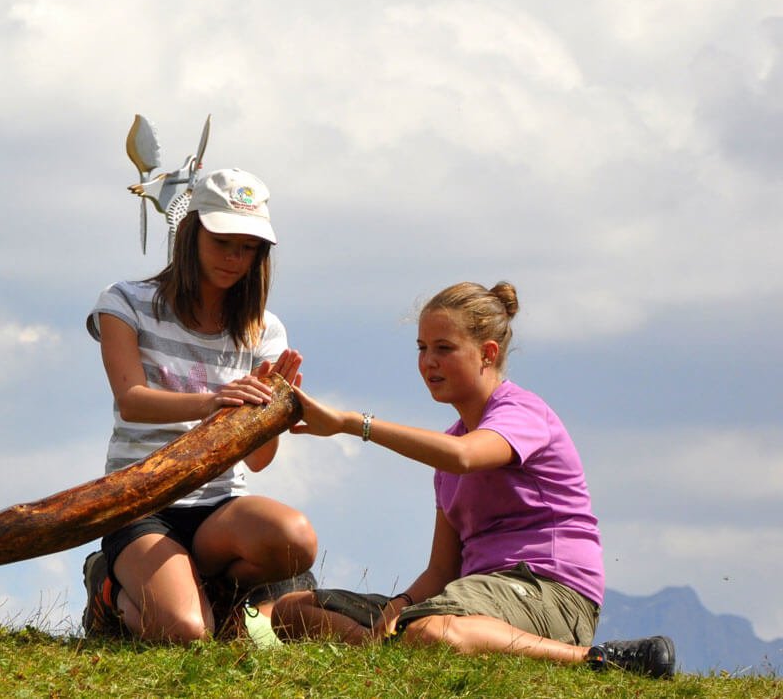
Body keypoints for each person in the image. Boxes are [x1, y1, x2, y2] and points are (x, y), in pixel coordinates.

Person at [272, 281, 677, 677]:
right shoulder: (449, 445)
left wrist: (350, 423)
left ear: (487, 353)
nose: (428, 361)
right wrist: (398, 607)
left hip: (548, 590)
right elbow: (441, 570)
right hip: (470, 597)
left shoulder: (521, 413)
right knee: (293, 611)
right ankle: (398, 645)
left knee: (431, 629)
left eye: (444, 348)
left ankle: (595, 659)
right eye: (422, 348)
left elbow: (466, 458)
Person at [80, 168, 318, 644]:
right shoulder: (125, 300)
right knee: (187, 633)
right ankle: (108, 586)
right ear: (191, 234)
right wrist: (215, 402)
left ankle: (199, 591)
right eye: (223, 241)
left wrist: (271, 418)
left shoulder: (264, 329)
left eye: (249, 248)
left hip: (220, 505)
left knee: (296, 540)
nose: (235, 258)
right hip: (141, 501)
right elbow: (132, 402)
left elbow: (258, 461)